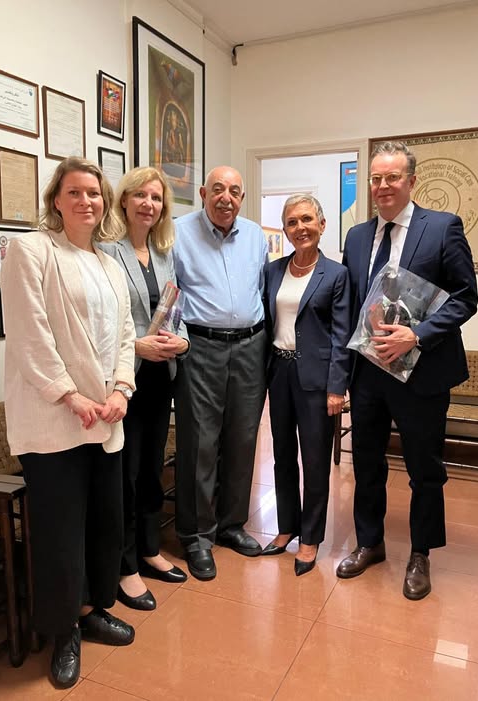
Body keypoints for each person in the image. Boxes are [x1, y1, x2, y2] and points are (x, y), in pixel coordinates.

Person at [1, 157, 137, 689]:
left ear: (105, 203)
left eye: (94, 193)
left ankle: (90, 610)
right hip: (55, 420)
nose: (86, 201)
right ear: (56, 200)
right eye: (74, 192)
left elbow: (125, 334)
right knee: (60, 532)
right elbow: (29, 334)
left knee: (104, 522)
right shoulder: (32, 250)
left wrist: (122, 387)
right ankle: (63, 633)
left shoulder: (109, 264)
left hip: (106, 417)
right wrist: (70, 395)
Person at [336, 142, 478, 600]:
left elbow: (465, 297)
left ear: (411, 181)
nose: (383, 186)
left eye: (392, 177)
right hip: (369, 372)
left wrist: (416, 335)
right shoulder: (357, 236)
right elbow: (352, 303)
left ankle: (420, 553)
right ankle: (370, 542)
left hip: (423, 373)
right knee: (367, 462)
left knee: (424, 469)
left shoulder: (442, 228)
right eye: (376, 178)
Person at [99, 166, 189, 611]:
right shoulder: (106, 250)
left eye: (156, 198)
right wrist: (138, 345)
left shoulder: (164, 253)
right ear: (124, 200)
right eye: (140, 196)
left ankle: (151, 548)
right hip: (125, 380)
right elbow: (102, 324)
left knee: (152, 469)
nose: (148, 204)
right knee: (127, 475)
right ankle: (125, 565)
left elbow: (177, 309)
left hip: (160, 378)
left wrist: (182, 341)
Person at [173, 166, 268, 580]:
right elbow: (170, 294)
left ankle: (231, 525)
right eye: (217, 189)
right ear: (202, 193)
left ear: (241, 198)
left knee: (243, 439)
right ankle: (196, 536)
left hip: (250, 346)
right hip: (201, 346)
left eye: (233, 191)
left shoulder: (256, 236)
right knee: (200, 442)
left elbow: (261, 289)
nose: (225, 198)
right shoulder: (178, 233)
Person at [262, 194, 350, 576]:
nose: (300, 227)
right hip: (279, 373)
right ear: (285, 230)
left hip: (316, 380)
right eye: (292, 222)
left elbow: (342, 334)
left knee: (314, 461)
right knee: (282, 455)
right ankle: (287, 527)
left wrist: (337, 386)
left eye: (307, 219)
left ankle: (310, 536)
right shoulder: (273, 271)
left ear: (322, 224)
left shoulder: (336, 275)